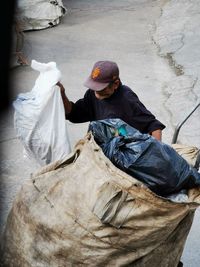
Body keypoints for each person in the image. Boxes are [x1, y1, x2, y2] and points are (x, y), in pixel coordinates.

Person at [57, 60, 165, 140]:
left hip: (125, 153)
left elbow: (153, 126)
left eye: (101, 88)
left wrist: (157, 154)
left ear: (116, 84)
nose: (96, 92)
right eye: (94, 87)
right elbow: (73, 114)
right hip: (100, 150)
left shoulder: (127, 99)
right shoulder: (92, 94)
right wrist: (62, 93)